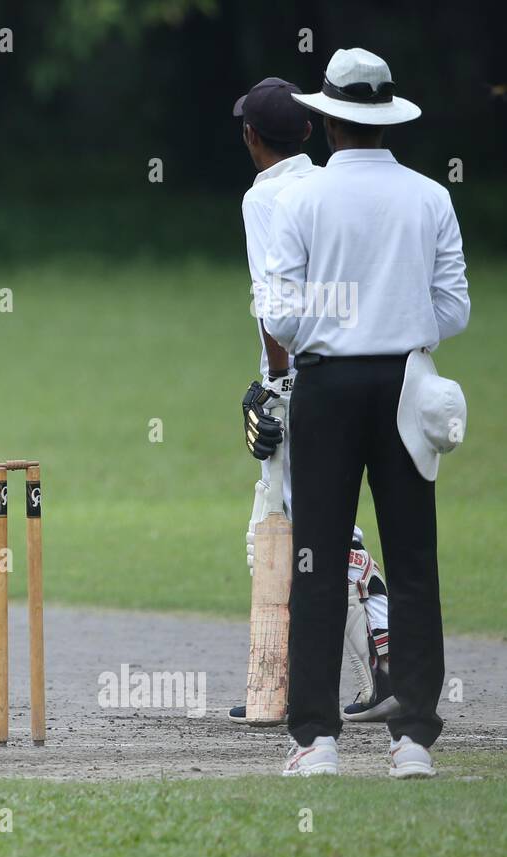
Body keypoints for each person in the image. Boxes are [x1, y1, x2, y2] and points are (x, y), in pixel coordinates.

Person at [263, 49, 470, 778]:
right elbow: (454, 308)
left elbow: (281, 317)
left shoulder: (302, 200)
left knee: (317, 561)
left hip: (325, 389)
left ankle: (316, 741)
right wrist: (394, 318)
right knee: (413, 560)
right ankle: (413, 738)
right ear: (386, 119)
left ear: (325, 120)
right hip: (408, 385)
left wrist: (342, 318)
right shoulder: (428, 197)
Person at [231, 77, 394, 725]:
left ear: (251, 137)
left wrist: (270, 391)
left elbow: (274, 302)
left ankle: (378, 662)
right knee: (303, 527)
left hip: (301, 381)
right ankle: (302, 683)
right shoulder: (329, 184)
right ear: (308, 131)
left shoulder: (265, 197)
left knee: (303, 531)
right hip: (358, 368)